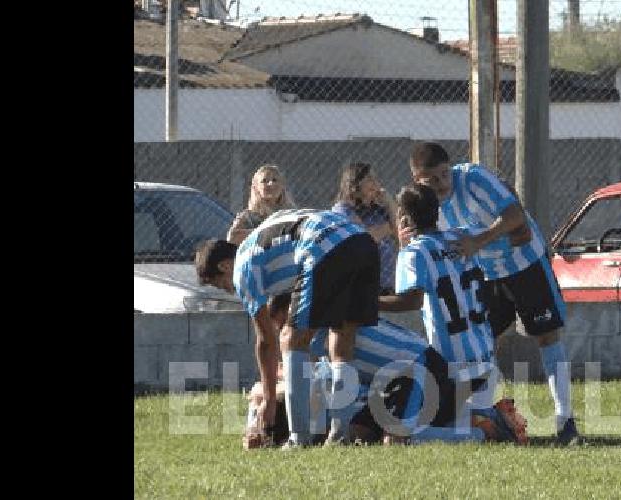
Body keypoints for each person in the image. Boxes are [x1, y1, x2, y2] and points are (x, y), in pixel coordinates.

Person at [406, 142, 580, 444]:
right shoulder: (424, 204)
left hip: (525, 262)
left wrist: (478, 241)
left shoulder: (473, 179)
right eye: (431, 180)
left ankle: (565, 421)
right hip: (485, 273)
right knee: (482, 341)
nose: (442, 184)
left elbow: (517, 220)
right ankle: (486, 416)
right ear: (417, 180)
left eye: (445, 174)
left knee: (546, 334)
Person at [196, 208, 377, 448]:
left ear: (225, 266)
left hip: (322, 247)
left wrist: (270, 399)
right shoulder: (260, 240)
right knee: (342, 341)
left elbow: (265, 340)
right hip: (362, 243)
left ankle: (298, 438)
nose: (228, 291)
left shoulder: (242, 269)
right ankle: (339, 434)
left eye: (220, 285)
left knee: (291, 340)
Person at [243, 318, 528, 448]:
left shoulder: (317, 334)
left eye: (277, 319)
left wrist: (258, 420)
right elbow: (260, 392)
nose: (277, 328)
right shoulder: (312, 344)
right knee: (362, 434)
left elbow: (260, 391)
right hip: (392, 381)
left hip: (413, 369)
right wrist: (252, 425)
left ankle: (486, 428)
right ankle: (479, 416)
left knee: (398, 440)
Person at [379, 184, 499, 430]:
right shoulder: (463, 237)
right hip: (485, 355)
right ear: (438, 210)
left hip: (449, 367)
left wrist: (368, 303)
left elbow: (411, 300)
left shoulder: (414, 253)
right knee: (470, 417)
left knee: (404, 423)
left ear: (405, 218)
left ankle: (481, 427)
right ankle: (486, 420)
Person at [331, 162, 399, 295]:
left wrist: (390, 203)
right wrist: (388, 227)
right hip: (360, 287)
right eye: (369, 179)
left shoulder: (378, 209)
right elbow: (364, 239)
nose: (376, 183)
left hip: (387, 284)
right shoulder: (342, 209)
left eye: (375, 178)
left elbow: (400, 234)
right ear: (354, 185)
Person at [226, 165, 298, 245]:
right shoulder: (248, 216)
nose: (271, 184)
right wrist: (267, 232)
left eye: (275, 180)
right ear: (256, 188)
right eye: (264, 181)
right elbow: (232, 238)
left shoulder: (292, 214)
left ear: (282, 186)